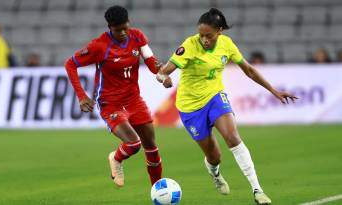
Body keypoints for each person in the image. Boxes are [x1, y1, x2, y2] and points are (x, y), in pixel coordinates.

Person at [156, 8, 297, 205]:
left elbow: (248, 70)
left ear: (219, 31)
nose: (204, 39)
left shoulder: (226, 44)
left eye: (209, 35)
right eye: (201, 35)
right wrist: (163, 77)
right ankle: (215, 173)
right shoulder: (190, 44)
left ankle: (257, 190)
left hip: (214, 97)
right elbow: (166, 70)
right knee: (214, 156)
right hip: (189, 107)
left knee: (232, 137)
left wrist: (274, 91)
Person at [64, 5, 162, 187]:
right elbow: (70, 64)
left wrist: (162, 74)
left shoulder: (137, 36)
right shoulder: (99, 46)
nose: (124, 32)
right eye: (118, 30)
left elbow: (150, 61)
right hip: (111, 103)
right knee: (133, 145)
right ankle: (116, 159)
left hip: (134, 100)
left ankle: (157, 190)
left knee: (152, 146)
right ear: (110, 27)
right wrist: (81, 95)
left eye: (126, 27)